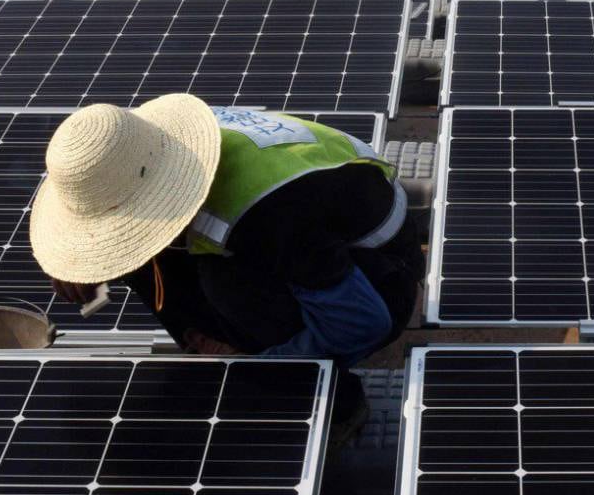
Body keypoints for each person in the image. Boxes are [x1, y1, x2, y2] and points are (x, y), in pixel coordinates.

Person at [28, 93, 422, 431]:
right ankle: (232, 343)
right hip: (314, 231)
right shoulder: (153, 148)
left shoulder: (264, 218)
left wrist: (254, 367)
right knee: (146, 259)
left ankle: (331, 401)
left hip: (378, 273)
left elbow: (362, 323)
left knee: (224, 288)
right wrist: (87, 260)